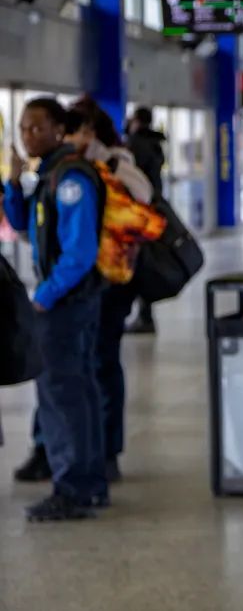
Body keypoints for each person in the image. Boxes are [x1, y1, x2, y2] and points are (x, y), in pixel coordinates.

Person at [2, 97, 109, 521]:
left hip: (69, 304)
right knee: (75, 392)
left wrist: (43, 296)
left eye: (36, 128)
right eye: (24, 128)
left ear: (59, 131)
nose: (28, 135)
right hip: (66, 301)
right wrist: (13, 183)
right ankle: (88, 482)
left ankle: (74, 488)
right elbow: (26, 226)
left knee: (64, 396)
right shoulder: (48, 175)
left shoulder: (71, 180)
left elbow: (79, 253)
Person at [68, 99, 155, 482]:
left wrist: (108, 164)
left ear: (96, 131)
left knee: (103, 359)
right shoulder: (68, 166)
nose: (76, 138)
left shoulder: (118, 160)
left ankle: (108, 450)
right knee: (82, 361)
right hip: (82, 279)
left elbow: (145, 195)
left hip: (114, 277)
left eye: (82, 129)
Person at [124, 106, 165, 335]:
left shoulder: (137, 145)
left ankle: (144, 316)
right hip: (152, 208)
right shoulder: (155, 144)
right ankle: (144, 313)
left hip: (139, 210)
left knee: (139, 263)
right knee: (145, 261)